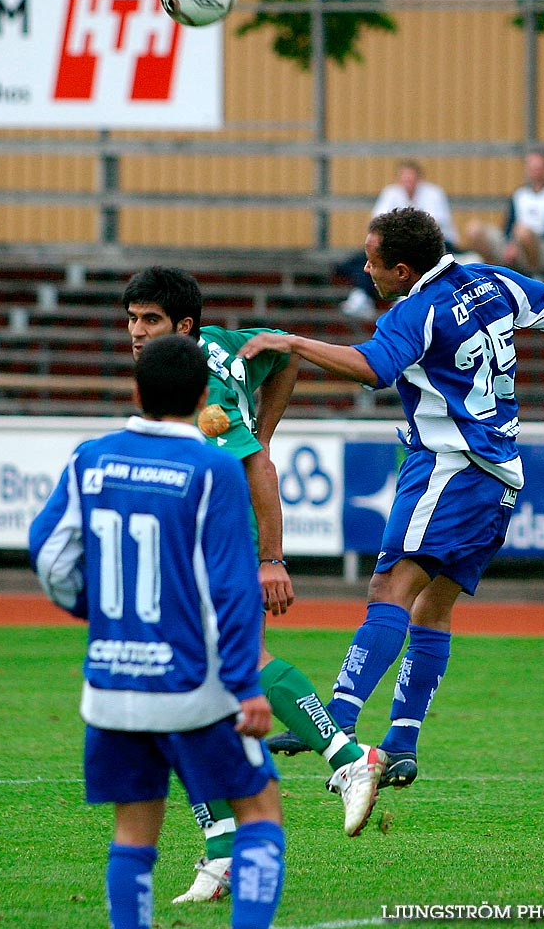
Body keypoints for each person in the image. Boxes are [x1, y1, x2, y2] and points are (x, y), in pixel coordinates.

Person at [237, 207, 544, 788]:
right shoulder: (492, 280)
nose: (365, 268)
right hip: (500, 475)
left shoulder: (416, 310)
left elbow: (373, 368)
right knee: (433, 606)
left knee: (391, 587)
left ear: (403, 270)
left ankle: (338, 717)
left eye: (372, 260)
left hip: (449, 469)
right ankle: (403, 741)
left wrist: (296, 343)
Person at [121, 267, 384, 903]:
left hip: (216, 526)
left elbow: (256, 463)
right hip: (204, 526)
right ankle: (222, 856)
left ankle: (348, 758)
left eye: (149, 321)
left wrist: (273, 559)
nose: (136, 332)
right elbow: (279, 348)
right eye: (131, 319)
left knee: (214, 672)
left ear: (182, 326)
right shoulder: (222, 342)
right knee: (196, 686)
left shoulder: (201, 384)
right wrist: (266, 420)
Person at [28, 334, 285, 929]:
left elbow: (48, 556)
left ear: (136, 390)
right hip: (192, 687)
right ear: (203, 396)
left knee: (134, 829)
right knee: (260, 807)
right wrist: (247, 684)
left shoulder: (90, 458)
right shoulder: (214, 467)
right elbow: (231, 586)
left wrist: (97, 610)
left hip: (111, 685)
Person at [338, 159, 461, 320]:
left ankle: (402, 296)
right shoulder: (391, 193)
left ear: (419, 179)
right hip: (399, 247)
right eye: (404, 179)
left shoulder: (434, 193)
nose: (408, 183)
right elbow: (377, 223)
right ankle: (363, 294)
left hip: (436, 246)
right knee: (367, 259)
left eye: (411, 179)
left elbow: (431, 227)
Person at [465, 149, 544, 280]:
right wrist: (511, 243)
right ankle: (487, 272)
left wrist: (520, 240)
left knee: (523, 231)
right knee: (474, 228)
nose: (535, 171)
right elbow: (509, 224)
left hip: (541, 248)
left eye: (539, 167)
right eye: (532, 167)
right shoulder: (519, 194)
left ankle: (535, 275)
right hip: (515, 243)